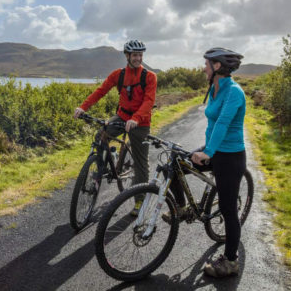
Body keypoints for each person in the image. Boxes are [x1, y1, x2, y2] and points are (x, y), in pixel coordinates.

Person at [168, 47, 246, 277]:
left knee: (228, 209)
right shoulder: (215, 87)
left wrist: (208, 152)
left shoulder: (234, 92)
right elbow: (213, 123)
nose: (203, 68)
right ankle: (183, 209)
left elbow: (222, 123)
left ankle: (231, 261)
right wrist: (207, 150)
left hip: (230, 156)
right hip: (213, 150)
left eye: (206, 64)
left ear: (217, 66)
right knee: (175, 165)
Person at [73, 39, 157, 216]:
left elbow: (149, 101)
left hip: (140, 122)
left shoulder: (149, 77)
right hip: (122, 116)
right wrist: (83, 107)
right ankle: (101, 165)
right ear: (127, 56)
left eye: (140, 55)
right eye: (135, 55)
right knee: (100, 135)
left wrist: (135, 119)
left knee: (141, 163)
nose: (138, 58)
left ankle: (140, 200)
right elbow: (100, 91)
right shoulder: (118, 75)